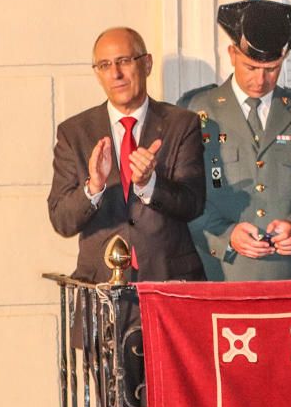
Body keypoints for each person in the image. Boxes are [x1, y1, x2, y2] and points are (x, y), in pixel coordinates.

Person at [178, 0, 291, 281]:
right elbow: (185, 196)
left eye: (272, 69)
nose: (261, 80)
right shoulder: (197, 109)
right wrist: (227, 235)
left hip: (287, 276)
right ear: (232, 53)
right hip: (220, 274)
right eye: (250, 67)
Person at [48, 27, 206, 283]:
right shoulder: (74, 132)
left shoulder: (181, 124)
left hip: (168, 281)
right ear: (97, 73)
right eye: (105, 65)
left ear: (147, 64)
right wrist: (94, 187)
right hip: (99, 286)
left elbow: (193, 204)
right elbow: (62, 221)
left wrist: (149, 184)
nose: (116, 74)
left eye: (123, 61)